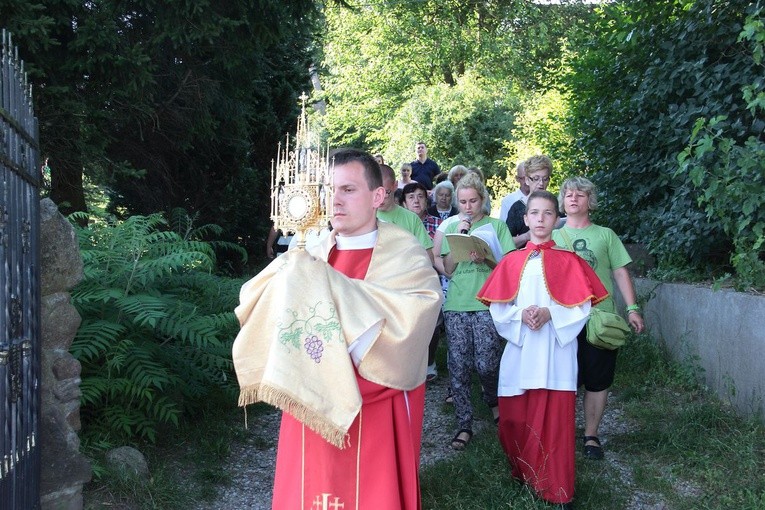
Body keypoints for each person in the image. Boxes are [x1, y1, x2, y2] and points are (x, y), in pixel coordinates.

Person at [232, 149, 443, 510]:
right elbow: (258, 306)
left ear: (378, 196)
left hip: (375, 407)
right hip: (309, 401)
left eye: (348, 189)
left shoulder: (405, 254)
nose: (335, 200)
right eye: (330, 190)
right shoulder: (309, 254)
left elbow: (414, 320)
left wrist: (331, 298)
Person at [477, 190, 608, 509]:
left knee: (554, 422)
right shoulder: (511, 262)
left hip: (555, 354)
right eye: (534, 213)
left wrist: (551, 314)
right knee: (513, 419)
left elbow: (581, 309)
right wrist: (520, 315)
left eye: (547, 213)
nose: (540, 219)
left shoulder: (570, 262)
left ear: (556, 218)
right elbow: (498, 308)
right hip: (521, 351)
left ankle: (557, 488)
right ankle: (526, 473)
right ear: (525, 218)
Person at [552, 176, 645, 461]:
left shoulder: (605, 235)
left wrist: (632, 308)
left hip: (599, 317)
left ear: (589, 201)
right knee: (561, 380)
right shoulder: (551, 237)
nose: (573, 198)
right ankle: (560, 432)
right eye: (568, 194)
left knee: (598, 380)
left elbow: (620, 272)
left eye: (580, 194)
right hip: (562, 318)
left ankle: (591, 434)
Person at [440, 172, 515, 450]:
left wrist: (487, 258)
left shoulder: (497, 227)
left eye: (473, 201)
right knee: (458, 367)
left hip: (487, 303)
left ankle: (493, 398)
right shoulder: (453, 227)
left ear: (483, 199)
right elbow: (447, 269)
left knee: (487, 363)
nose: (468, 207)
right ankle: (464, 423)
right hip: (457, 303)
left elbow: (509, 268)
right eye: (462, 202)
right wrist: (458, 241)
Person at [402, 181, 443, 382]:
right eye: (411, 197)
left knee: (432, 321)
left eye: (420, 196)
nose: (416, 201)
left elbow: (438, 255)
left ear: (427, 200)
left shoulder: (437, 223)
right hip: (404, 279)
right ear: (403, 203)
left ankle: (430, 361)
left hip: (432, 275)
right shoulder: (399, 223)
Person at [377, 164, 435, 264]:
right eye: (376, 193)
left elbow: (429, 259)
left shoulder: (412, 219)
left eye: (386, 192)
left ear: (395, 186)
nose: (381, 198)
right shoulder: (363, 217)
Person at [506, 155, 553, 249]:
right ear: (527, 180)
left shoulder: (554, 205)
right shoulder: (517, 208)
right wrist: (527, 236)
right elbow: (505, 243)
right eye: (536, 178)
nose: (541, 183)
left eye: (545, 179)